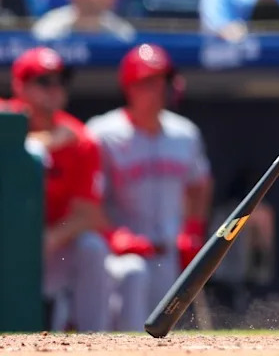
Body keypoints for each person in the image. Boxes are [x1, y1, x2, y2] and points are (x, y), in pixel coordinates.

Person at [86, 43, 212, 331]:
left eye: (161, 82)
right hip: (120, 254)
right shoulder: (103, 133)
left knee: (167, 333)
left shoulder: (185, 134)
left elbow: (200, 184)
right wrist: (111, 234)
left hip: (167, 252)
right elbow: (87, 197)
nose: (156, 90)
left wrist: (192, 228)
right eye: (147, 83)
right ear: (129, 87)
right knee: (131, 321)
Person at [0, 48, 112, 331]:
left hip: (49, 247)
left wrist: (48, 238)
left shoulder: (81, 140)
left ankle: (92, 340)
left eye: (60, 81)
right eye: (43, 81)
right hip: (6, 244)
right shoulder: (4, 119)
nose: (54, 89)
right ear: (19, 85)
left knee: (92, 247)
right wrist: (44, 143)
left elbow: (89, 214)